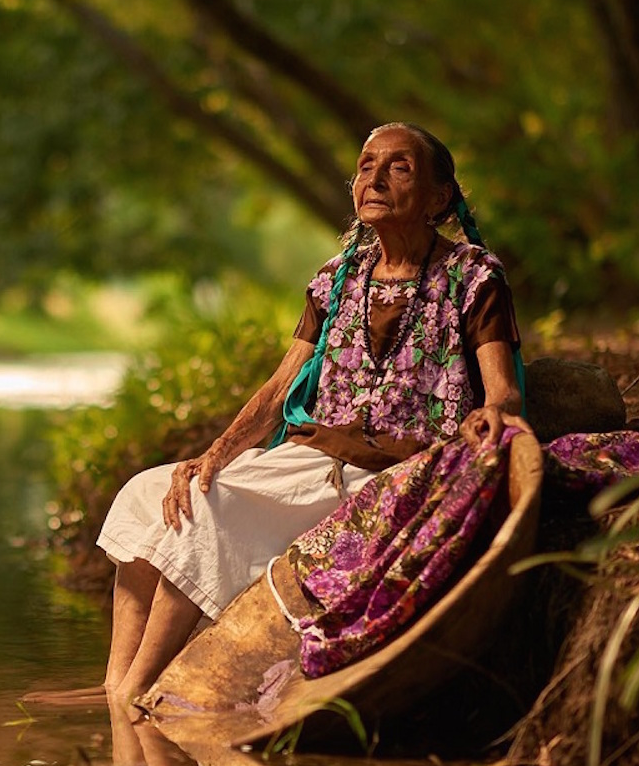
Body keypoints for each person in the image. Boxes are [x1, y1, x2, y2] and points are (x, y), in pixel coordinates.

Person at [26, 122, 531, 714]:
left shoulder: (475, 277)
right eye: (366, 166)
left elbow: (503, 392)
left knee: (202, 516)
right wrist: (214, 454)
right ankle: (117, 685)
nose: (374, 178)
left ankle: (137, 691)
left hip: (396, 473)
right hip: (314, 458)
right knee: (152, 491)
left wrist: (490, 417)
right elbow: (278, 389)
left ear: (440, 198)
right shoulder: (337, 279)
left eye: (398, 167)